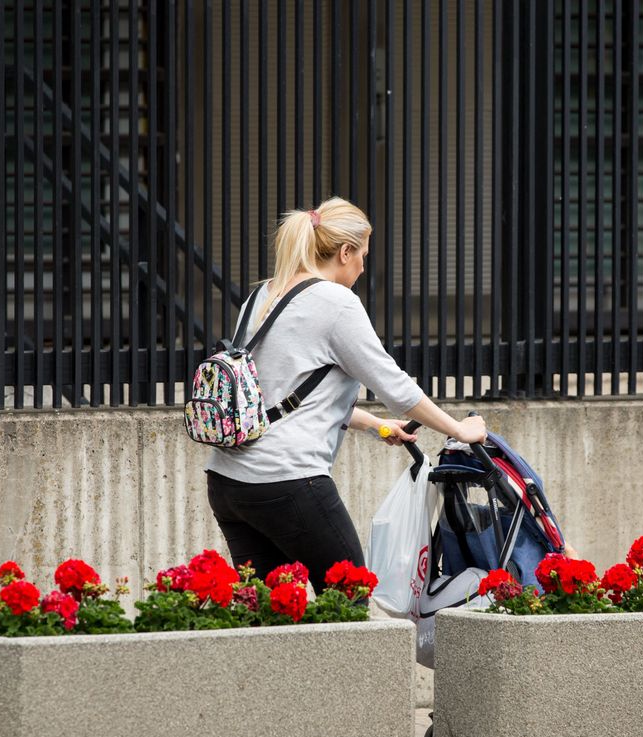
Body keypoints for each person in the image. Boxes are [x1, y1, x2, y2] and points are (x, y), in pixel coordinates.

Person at [205, 197, 487, 591]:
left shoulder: (261, 295)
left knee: (269, 613)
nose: (363, 267)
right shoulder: (336, 302)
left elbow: (272, 401)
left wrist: (376, 425)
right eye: (363, 256)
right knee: (350, 593)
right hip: (287, 480)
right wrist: (459, 429)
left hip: (227, 482)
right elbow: (396, 387)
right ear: (345, 252)